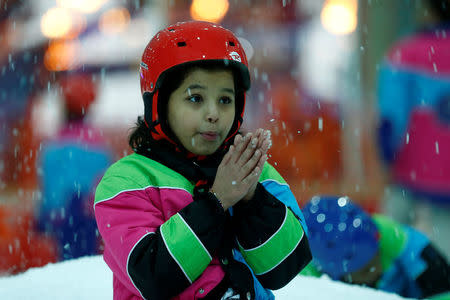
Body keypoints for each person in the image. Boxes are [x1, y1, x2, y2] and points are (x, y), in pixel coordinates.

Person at [94, 21, 312, 300]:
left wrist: (252, 198)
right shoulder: (127, 181)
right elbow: (152, 276)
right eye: (195, 98)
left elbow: (285, 267)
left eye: (225, 100)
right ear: (159, 104)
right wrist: (217, 201)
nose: (213, 114)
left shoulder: (251, 169)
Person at [377, 0, 450, 257]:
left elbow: (391, 114)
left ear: (429, 10)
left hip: (412, 166)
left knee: (391, 234)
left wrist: (387, 152)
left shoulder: (407, 53)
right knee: (445, 242)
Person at [300, 195, 450, 299]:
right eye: (366, 269)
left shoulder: (388, 233)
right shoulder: (309, 281)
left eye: (378, 255)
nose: (378, 269)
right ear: (333, 274)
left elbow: (443, 285)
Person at [37, 73, 113, 261]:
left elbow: (49, 188)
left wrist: (44, 215)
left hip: (62, 218)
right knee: (86, 263)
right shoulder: (99, 148)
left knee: (66, 262)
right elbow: (104, 185)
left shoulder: (52, 148)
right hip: (90, 218)